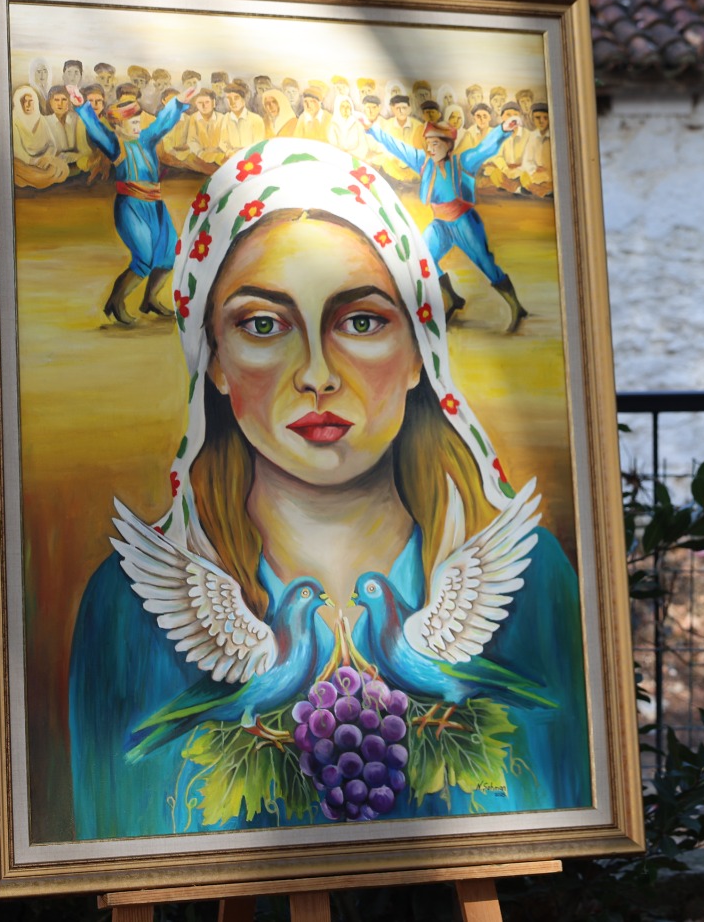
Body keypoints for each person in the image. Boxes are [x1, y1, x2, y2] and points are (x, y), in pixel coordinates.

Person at [67, 137, 589, 838]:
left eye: (361, 321)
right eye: (262, 325)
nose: (317, 375)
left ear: (418, 353)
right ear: (213, 360)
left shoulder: (533, 581)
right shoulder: (125, 607)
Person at [368, 116, 528, 332]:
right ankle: (452, 298)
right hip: (440, 225)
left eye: (435, 144)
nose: (430, 149)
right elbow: (398, 147)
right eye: (428, 144)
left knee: (486, 264)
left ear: (447, 145)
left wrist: (503, 130)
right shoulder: (423, 163)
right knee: (422, 257)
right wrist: (371, 129)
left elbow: (484, 149)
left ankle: (516, 306)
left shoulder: (463, 162)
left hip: (464, 223)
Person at [68, 82, 196, 324]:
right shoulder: (116, 145)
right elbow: (96, 130)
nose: (137, 126)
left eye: (138, 121)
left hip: (156, 207)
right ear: (118, 125)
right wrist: (82, 107)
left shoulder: (146, 139)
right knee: (144, 258)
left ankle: (150, 299)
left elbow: (162, 123)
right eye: (132, 122)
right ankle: (116, 301)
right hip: (131, 208)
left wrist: (179, 102)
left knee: (169, 254)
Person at [10, 84, 68, 188]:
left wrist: (47, 158)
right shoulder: (14, 122)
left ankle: (39, 178)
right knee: (16, 167)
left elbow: (51, 145)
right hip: (24, 164)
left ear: (35, 102)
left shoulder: (41, 120)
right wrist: (35, 162)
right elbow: (18, 152)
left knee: (61, 167)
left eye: (30, 101)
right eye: (23, 101)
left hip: (42, 162)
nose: (27, 105)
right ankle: (39, 178)